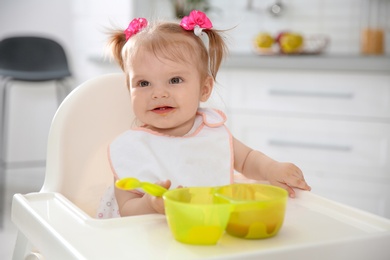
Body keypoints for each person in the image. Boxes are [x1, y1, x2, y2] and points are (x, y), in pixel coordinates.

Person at [97, 10, 311, 219]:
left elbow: (247, 160)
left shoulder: (212, 131)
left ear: (204, 88)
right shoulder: (132, 147)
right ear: (129, 90)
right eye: (143, 83)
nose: (158, 93)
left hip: (208, 231)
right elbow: (126, 208)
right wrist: (149, 204)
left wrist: (272, 168)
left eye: (174, 80)